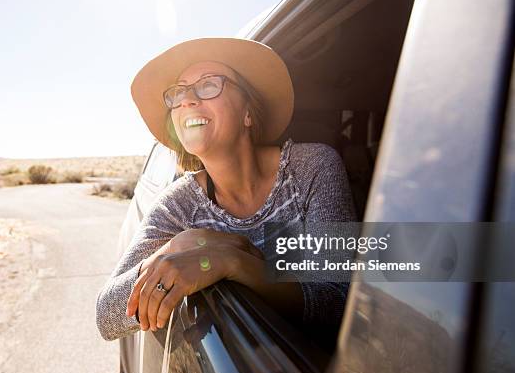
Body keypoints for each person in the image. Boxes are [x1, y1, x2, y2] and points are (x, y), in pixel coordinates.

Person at [96, 37, 356, 341]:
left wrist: (231, 262)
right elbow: (106, 316)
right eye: (179, 92)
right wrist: (181, 245)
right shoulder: (177, 207)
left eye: (208, 85)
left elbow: (339, 304)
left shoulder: (313, 167)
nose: (187, 100)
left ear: (248, 112)